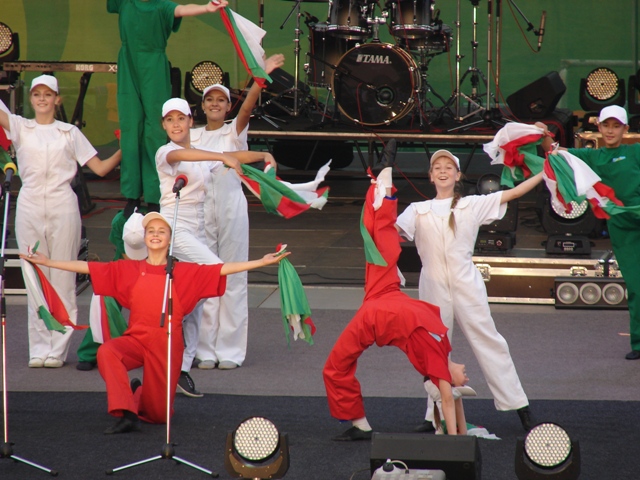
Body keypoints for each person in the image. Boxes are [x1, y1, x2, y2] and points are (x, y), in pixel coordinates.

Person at [21, 211, 289, 434]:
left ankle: (137, 394)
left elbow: (221, 269)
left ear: (169, 239)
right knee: (107, 352)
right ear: (145, 238)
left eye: (162, 231)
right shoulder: (131, 268)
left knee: (159, 416)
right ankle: (126, 412)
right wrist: (48, 262)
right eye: (151, 231)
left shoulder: (183, 271)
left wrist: (261, 261)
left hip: (167, 345)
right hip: (137, 340)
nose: (156, 234)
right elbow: (89, 268)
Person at [323, 142, 470, 441]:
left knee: (335, 366)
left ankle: (360, 424)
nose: (467, 373)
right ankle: (382, 185)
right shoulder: (443, 347)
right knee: (380, 242)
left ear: (453, 382)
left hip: (377, 315)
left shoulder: (439, 366)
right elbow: (452, 402)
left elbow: (448, 400)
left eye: (464, 379)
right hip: (385, 296)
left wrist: (456, 441)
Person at [396, 149, 543, 432]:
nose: (442, 171)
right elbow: (389, 232)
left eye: (448, 167)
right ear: (430, 176)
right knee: (434, 349)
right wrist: (379, 197)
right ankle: (434, 415)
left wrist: (545, 173)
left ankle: (520, 407)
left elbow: (514, 193)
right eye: (437, 167)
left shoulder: (471, 205)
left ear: (458, 175)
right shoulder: (416, 209)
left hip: (467, 284)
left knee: (489, 341)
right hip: (432, 287)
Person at [156, 97, 276, 397]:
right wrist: (224, 158)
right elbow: (190, 155)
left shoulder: (200, 153)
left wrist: (263, 154)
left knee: (200, 295)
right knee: (214, 272)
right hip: (175, 229)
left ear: (189, 120)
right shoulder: (166, 151)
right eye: (169, 120)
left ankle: (183, 366)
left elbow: (231, 155)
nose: (175, 124)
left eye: (180, 118)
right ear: (163, 125)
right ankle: (165, 343)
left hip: (198, 229)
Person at [0, 74, 122, 368]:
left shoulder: (69, 132)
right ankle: (39, 348)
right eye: (37, 94)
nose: (42, 99)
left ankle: (58, 347)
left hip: (62, 205)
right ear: (31, 99)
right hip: (29, 204)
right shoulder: (20, 126)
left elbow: (100, 168)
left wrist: (126, 147)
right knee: (34, 277)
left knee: (62, 276)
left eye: (47, 94)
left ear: (57, 99)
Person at [189, 53, 284, 371]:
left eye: (221, 100)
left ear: (228, 106)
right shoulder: (191, 136)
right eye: (210, 100)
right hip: (200, 209)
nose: (215, 104)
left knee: (233, 275)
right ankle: (204, 349)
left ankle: (229, 349)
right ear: (202, 106)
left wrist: (261, 77)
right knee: (205, 276)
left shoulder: (234, 132)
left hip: (231, 207)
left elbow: (247, 108)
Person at [107, 0, 229, 216]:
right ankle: (132, 196)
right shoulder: (125, 2)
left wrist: (206, 8)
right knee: (130, 130)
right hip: (127, 63)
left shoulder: (161, 6)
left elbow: (182, 9)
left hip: (153, 65)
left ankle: (154, 197)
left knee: (154, 131)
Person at [537, 105, 640, 360]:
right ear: (599, 127)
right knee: (636, 285)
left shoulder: (635, 152)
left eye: (616, 126)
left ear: (626, 129)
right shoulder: (592, 156)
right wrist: (541, 133)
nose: (611, 131)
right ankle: (639, 343)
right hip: (622, 226)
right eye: (606, 125)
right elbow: (556, 153)